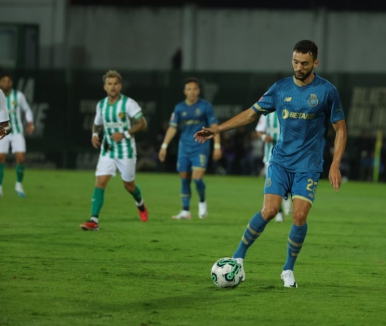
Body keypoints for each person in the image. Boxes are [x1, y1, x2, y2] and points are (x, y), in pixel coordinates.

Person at [194, 40, 347, 288]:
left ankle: (287, 269)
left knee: (298, 216)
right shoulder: (280, 88)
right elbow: (252, 113)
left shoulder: (327, 91)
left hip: (308, 165)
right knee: (269, 211)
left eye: (304, 63)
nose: (299, 67)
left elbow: (340, 129)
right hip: (280, 161)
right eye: (295, 62)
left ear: (315, 63)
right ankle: (238, 258)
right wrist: (217, 129)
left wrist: (335, 164)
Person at [79, 70, 149, 231]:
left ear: (120, 86)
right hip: (108, 151)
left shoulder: (128, 104)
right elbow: (97, 123)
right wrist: (95, 134)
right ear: (104, 87)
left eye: (115, 84)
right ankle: (94, 220)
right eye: (109, 84)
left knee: (129, 186)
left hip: (126, 151)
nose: (113, 87)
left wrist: (124, 133)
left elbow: (142, 124)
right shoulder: (101, 105)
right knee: (100, 182)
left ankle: (140, 204)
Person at [158, 77, 221, 220]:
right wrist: (164, 146)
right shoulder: (179, 108)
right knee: (184, 179)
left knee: (197, 179)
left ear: (198, 91)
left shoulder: (206, 106)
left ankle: (202, 201)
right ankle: (185, 211)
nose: (192, 92)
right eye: (189, 89)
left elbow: (214, 127)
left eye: (194, 89)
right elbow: (172, 128)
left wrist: (217, 146)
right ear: (184, 91)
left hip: (200, 147)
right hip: (184, 147)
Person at [0, 72, 34, 198]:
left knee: (21, 158)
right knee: (0, 158)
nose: (6, 84)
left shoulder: (18, 96)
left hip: (16, 131)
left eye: (8, 81)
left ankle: (18, 185)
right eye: (3, 81)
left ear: (11, 83)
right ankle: (0, 187)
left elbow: (27, 109)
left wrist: (30, 123)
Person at [255, 113, 292, 222]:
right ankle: (279, 213)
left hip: (287, 154)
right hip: (270, 155)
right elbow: (259, 130)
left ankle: (286, 196)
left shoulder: (290, 110)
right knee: (273, 186)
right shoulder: (267, 113)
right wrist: (264, 136)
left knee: (285, 182)